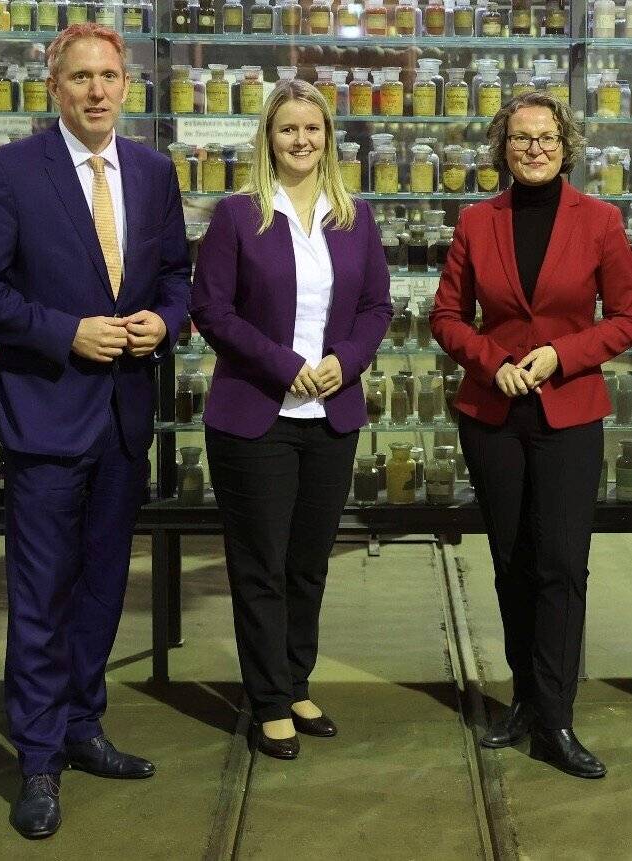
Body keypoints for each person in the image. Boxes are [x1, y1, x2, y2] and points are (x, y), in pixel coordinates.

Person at [0, 24, 190, 837]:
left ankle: (80, 724)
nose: (98, 90)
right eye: (82, 77)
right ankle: (37, 759)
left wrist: (162, 324)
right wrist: (63, 330)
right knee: (41, 597)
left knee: (105, 587)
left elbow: (177, 276)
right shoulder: (10, 173)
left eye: (110, 75)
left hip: (122, 416)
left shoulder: (150, 171)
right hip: (46, 413)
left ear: (127, 86)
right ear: (55, 88)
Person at [430, 92, 632, 779]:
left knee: (560, 564)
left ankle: (556, 717)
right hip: (493, 415)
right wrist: (493, 362)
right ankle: (522, 698)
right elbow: (447, 316)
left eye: (546, 137)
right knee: (512, 561)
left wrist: (561, 354)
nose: (535, 148)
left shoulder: (600, 221)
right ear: (502, 148)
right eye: (520, 138)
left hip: (569, 412)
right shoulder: (476, 221)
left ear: (565, 145)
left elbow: (626, 317)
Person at [190, 79, 391, 760]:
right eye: (287, 130)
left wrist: (347, 360)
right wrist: (281, 362)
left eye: (312, 129)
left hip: (330, 412)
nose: (300, 140)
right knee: (260, 565)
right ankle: (269, 699)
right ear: (267, 139)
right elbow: (212, 312)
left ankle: (296, 680)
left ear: (328, 136)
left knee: (308, 564)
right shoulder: (238, 215)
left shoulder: (353, 215)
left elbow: (375, 308)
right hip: (257, 414)